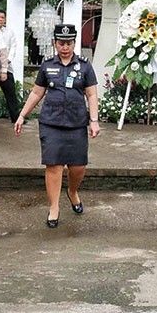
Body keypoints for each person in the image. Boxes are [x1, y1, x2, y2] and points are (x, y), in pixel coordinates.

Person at [14, 24, 100, 228]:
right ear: (55, 43)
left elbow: (92, 94)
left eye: (69, 43)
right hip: (51, 123)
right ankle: (54, 207)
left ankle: (72, 191)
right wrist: (22, 115)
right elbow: (36, 93)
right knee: (54, 166)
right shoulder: (47, 66)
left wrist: (94, 120)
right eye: (61, 43)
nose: (65, 47)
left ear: (74, 43)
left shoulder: (85, 66)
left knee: (78, 167)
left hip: (76, 123)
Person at [0, 9, 21, 123]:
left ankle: (16, 118)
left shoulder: (9, 32)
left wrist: (7, 60)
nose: (0, 19)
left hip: (7, 67)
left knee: (11, 94)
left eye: (2, 17)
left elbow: (13, 47)